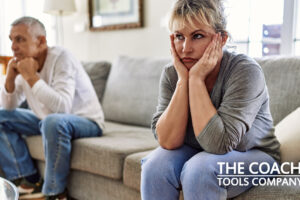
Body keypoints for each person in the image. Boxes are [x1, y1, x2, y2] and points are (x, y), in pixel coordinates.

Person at [141, 0, 280, 199]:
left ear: (221, 39)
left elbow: (219, 144)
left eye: (197, 36)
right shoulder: (173, 74)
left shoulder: (245, 71)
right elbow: (167, 141)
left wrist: (196, 80)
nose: (185, 48)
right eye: (179, 37)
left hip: (256, 155)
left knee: (200, 170)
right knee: (155, 166)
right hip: (197, 149)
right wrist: (183, 81)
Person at [0, 16, 104, 200]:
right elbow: (8, 107)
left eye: (20, 39)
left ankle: (55, 193)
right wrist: (9, 79)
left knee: (52, 121)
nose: (13, 47)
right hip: (47, 121)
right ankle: (28, 180)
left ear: (41, 41)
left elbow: (62, 107)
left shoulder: (61, 57)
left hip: (87, 121)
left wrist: (31, 77)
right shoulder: (24, 62)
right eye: (11, 40)